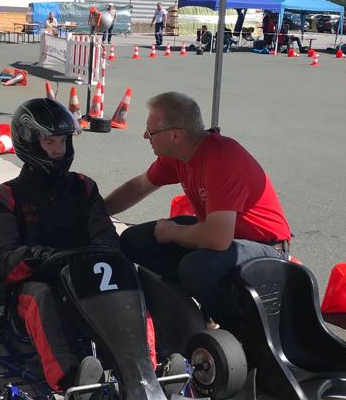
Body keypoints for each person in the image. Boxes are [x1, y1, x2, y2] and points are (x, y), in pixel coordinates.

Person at [104, 92, 292, 332]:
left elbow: (217, 238)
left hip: (267, 248)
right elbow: (138, 186)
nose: (145, 136)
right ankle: (184, 314)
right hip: (227, 236)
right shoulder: (179, 155)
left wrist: (172, 232)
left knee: (197, 266)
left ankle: (240, 331)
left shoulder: (221, 157)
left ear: (174, 135)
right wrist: (97, 212)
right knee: (133, 241)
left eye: (151, 132)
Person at [0, 98, 123, 392]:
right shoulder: (5, 197)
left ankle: (144, 366)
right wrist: (43, 257)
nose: (59, 150)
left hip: (86, 277)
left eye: (62, 141)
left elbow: (104, 233)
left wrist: (104, 252)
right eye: (50, 142)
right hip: (33, 287)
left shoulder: (84, 187)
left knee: (128, 276)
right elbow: (2, 262)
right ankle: (72, 384)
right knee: (42, 295)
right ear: (30, 144)